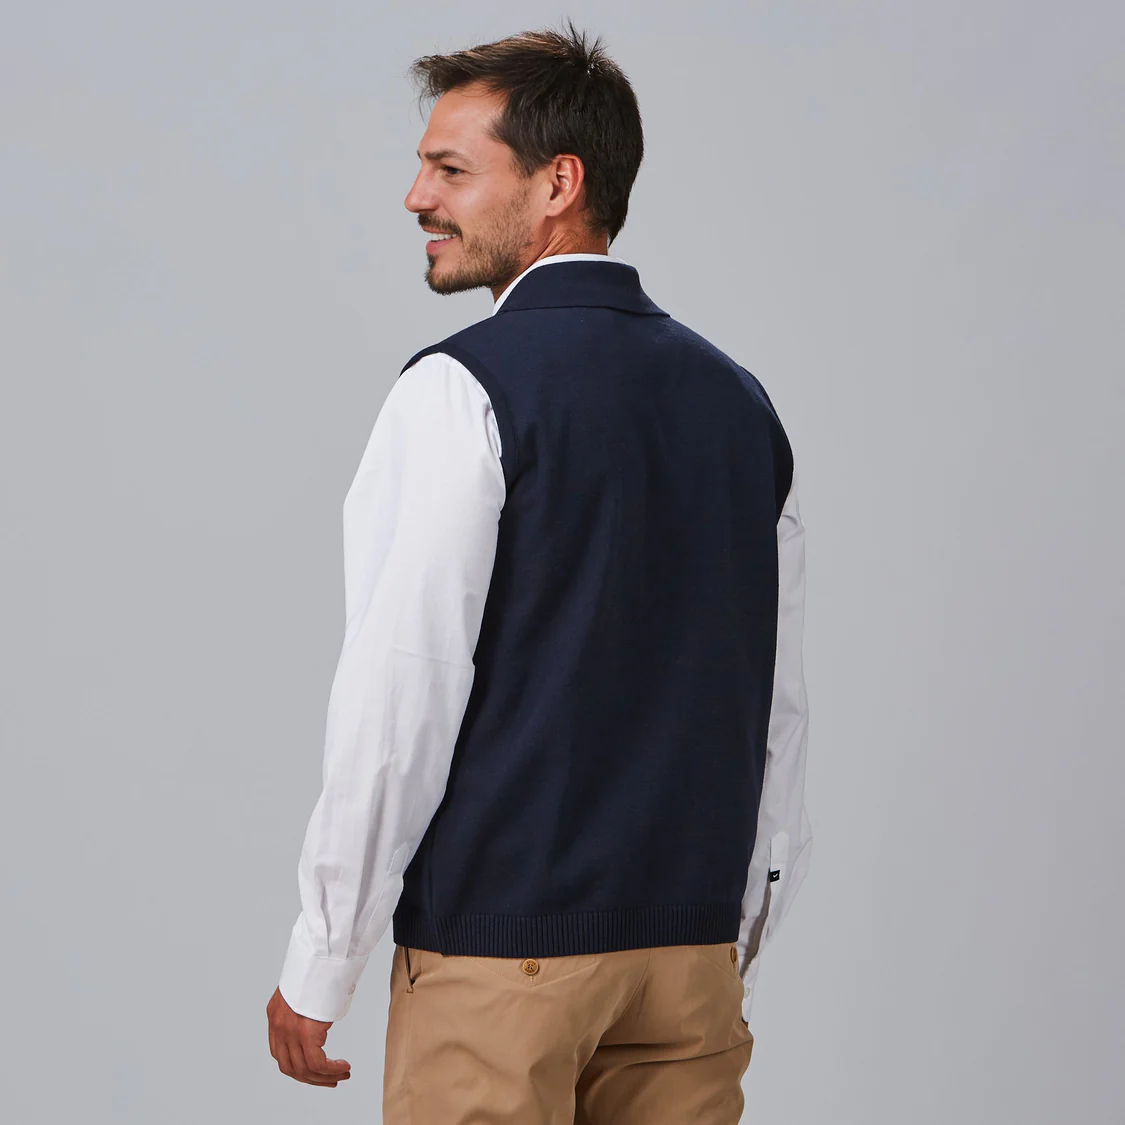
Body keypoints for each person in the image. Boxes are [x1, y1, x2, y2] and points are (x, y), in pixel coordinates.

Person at [265, 19, 813, 1124]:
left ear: (559, 183)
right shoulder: (739, 402)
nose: (416, 197)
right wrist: (738, 930)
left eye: (450, 170)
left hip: (503, 957)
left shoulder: (459, 390)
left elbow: (401, 692)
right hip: (687, 957)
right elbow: (774, 702)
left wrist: (323, 956)